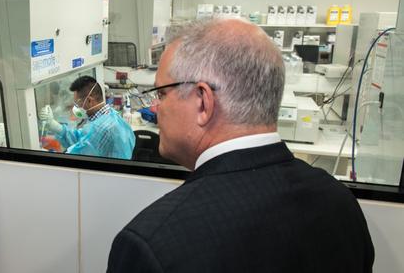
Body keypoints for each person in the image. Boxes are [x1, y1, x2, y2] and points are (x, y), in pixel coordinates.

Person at [106, 18, 374, 272]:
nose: (155, 106)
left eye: (161, 93)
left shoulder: (153, 243)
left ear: (203, 102)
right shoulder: (340, 203)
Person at [39, 76, 135, 159]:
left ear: (89, 101)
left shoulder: (100, 128)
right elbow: (82, 138)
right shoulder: (110, 115)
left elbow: (77, 155)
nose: (75, 107)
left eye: (78, 103)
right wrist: (54, 126)